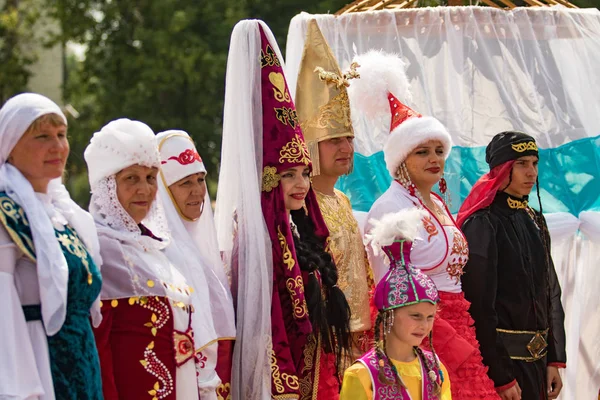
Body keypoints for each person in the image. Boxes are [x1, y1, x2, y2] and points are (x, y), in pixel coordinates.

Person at [348, 50, 499, 399]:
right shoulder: (390, 209)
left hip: (460, 325)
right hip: (423, 333)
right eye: (422, 151)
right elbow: (388, 292)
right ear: (401, 159)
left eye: (438, 150)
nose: (434, 158)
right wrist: (438, 333)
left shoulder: (438, 204)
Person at [215, 19, 350, 399]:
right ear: (267, 179)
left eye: (305, 173)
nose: (301, 184)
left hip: (321, 374)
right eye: (288, 174)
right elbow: (265, 328)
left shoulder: (298, 228)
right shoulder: (257, 239)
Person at [85, 119, 202, 399]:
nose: (145, 189)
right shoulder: (97, 248)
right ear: (106, 187)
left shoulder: (153, 247)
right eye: (131, 178)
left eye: (150, 178)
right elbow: (98, 353)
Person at [0, 93, 103, 399]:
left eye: (61, 135)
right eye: (42, 136)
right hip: (37, 369)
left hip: (82, 365)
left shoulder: (66, 216)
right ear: (10, 147)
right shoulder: (7, 216)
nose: (57, 147)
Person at [457, 131, 566, 400]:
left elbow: (550, 293)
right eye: (521, 164)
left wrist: (554, 360)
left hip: (539, 367)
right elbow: (479, 306)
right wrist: (501, 375)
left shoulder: (535, 220)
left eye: (534, 163)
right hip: (504, 368)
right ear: (502, 168)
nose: (531, 172)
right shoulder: (483, 223)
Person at [294, 19, 374, 360]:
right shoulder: (299, 204)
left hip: (359, 344)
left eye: (349, 139)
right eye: (333, 140)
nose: (345, 147)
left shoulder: (341, 198)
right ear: (311, 145)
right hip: (324, 346)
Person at [156, 129, 236, 399]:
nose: (197, 191)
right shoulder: (163, 251)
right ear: (163, 193)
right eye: (184, 183)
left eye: (200, 179)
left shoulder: (200, 247)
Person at [340, 208, 451, 400]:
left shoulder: (436, 369)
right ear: (389, 314)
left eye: (430, 317)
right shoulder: (362, 375)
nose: (424, 326)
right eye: (415, 316)